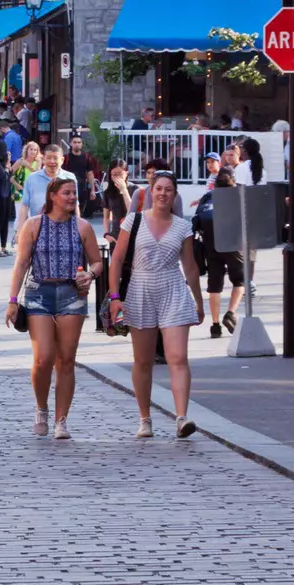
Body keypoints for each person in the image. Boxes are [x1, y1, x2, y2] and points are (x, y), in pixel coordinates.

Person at [108, 170, 204, 439]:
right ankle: (144, 418)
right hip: (140, 289)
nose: (163, 193)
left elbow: (190, 266)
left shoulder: (182, 226)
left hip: (173, 289)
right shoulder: (134, 221)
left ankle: (182, 417)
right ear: (151, 192)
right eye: (158, 188)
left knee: (178, 357)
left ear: (175, 195)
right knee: (143, 360)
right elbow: (116, 260)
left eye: (168, 190)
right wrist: (115, 297)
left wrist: (198, 301)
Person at [7, 175, 103, 440]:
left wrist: (90, 275)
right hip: (39, 293)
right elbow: (22, 263)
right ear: (53, 196)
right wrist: (13, 300)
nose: (73, 197)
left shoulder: (83, 227)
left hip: (72, 293)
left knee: (66, 359)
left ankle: (62, 420)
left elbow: (97, 262)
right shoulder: (34, 225)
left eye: (74, 193)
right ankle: (41, 408)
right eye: (67, 193)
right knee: (43, 358)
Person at [192, 169, 246, 338]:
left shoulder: (208, 196)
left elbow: (197, 219)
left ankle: (215, 326)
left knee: (214, 285)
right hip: (232, 244)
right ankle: (230, 313)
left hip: (210, 244)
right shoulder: (237, 196)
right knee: (240, 281)